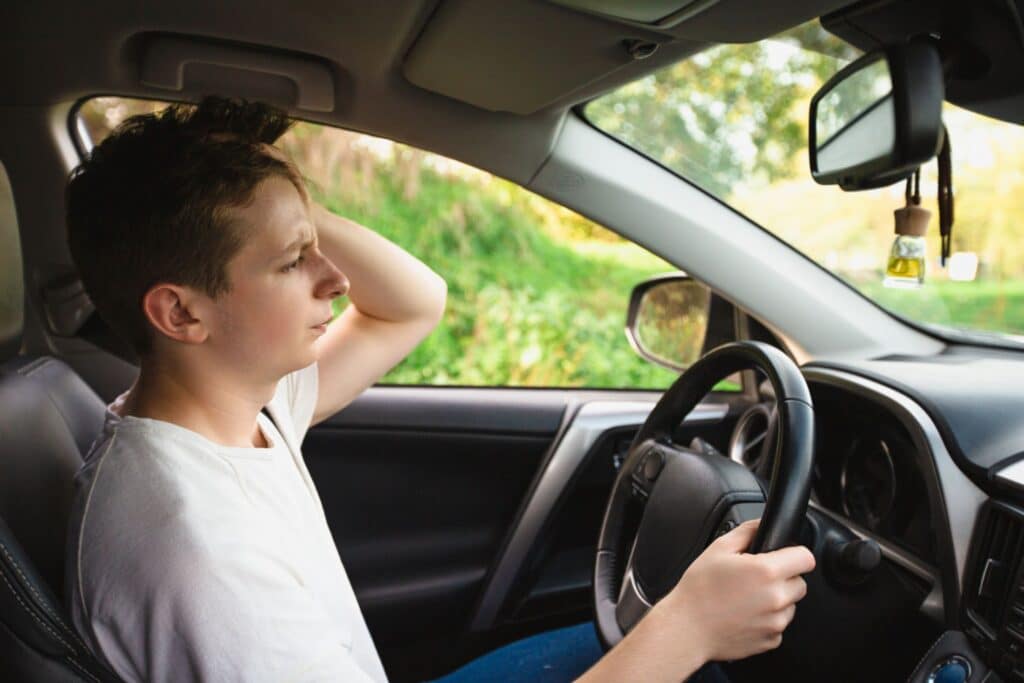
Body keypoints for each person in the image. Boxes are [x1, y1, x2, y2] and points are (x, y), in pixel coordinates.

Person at [64, 96, 815, 682]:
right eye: (295, 261)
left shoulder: (241, 407)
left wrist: (276, 206)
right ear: (181, 311)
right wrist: (687, 627)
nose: (336, 278)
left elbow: (414, 301)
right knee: (698, 658)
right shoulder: (196, 551)